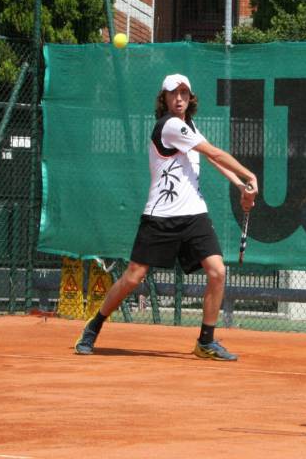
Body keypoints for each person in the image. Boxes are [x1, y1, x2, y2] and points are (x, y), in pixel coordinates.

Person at [74, 73, 259, 362]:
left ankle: (206, 342)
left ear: (190, 98)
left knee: (217, 272)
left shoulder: (190, 126)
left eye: (184, 94)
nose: (179, 99)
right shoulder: (170, 126)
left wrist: (240, 186)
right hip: (161, 216)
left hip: (194, 214)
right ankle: (93, 326)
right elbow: (214, 152)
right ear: (164, 99)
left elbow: (210, 159)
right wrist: (250, 175)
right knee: (133, 278)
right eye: (173, 94)